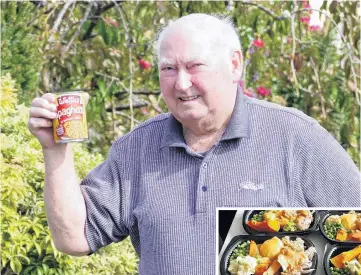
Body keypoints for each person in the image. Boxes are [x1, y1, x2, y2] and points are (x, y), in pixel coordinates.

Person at [28, 13, 360, 275]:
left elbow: (354, 237)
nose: (182, 83)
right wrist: (56, 150)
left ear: (234, 64)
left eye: (194, 66)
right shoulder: (137, 148)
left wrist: (272, 254)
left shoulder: (294, 136)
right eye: (168, 69)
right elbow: (74, 237)